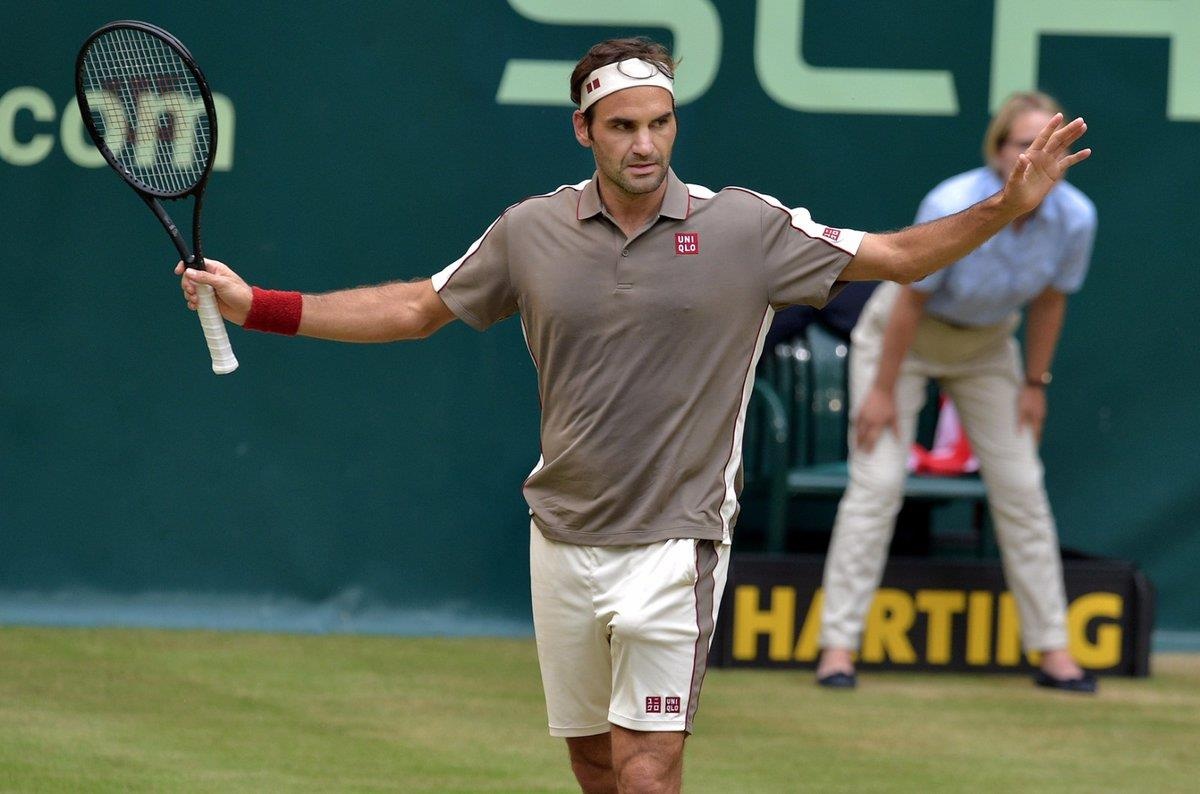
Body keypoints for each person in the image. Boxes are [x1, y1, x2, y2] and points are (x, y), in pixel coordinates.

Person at [177, 39, 1090, 792]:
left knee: (649, 771)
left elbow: (898, 255)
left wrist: (1007, 206)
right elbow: (416, 309)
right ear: (584, 131)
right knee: (593, 763)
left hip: (677, 539)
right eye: (622, 126)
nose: (644, 143)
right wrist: (261, 305)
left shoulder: (746, 228)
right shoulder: (528, 232)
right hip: (563, 534)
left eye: (659, 122)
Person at [815, 92, 1099, 695]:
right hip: (905, 338)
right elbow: (909, 298)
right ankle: (838, 649)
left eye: (1046, 141)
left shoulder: (1075, 218)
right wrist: (883, 391)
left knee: (1022, 488)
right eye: (1021, 141)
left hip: (990, 347)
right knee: (878, 484)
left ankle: (1053, 652)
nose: (1033, 152)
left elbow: (1051, 301)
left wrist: (1034, 384)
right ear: (998, 150)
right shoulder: (952, 202)